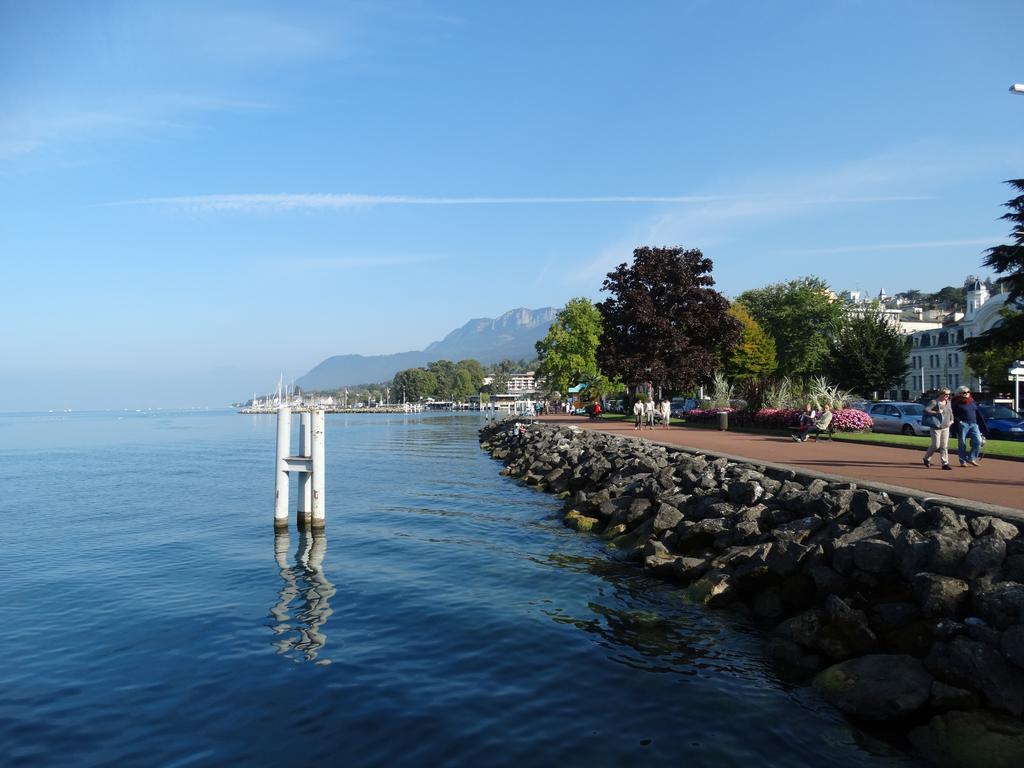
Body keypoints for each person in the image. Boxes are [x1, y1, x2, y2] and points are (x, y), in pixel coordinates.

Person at [951, 385, 988, 467]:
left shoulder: (971, 401)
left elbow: (977, 412)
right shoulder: (956, 402)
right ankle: (962, 461)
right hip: (963, 424)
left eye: (968, 392)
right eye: (964, 392)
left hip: (974, 424)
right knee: (962, 443)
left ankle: (971, 457)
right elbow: (952, 413)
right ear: (959, 393)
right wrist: (959, 421)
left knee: (978, 441)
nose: (967, 394)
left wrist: (981, 426)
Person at [922, 388, 953, 470]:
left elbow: (950, 412)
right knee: (936, 445)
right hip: (936, 426)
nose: (947, 396)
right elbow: (926, 410)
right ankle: (926, 458)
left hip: (946, 426)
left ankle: (945, 463)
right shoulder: (934, 402)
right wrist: (936, 412)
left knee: (944, 446)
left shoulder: (948, 402)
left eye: (949, 394)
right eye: (946, 394)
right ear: (941, 394)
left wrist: (951, 420)